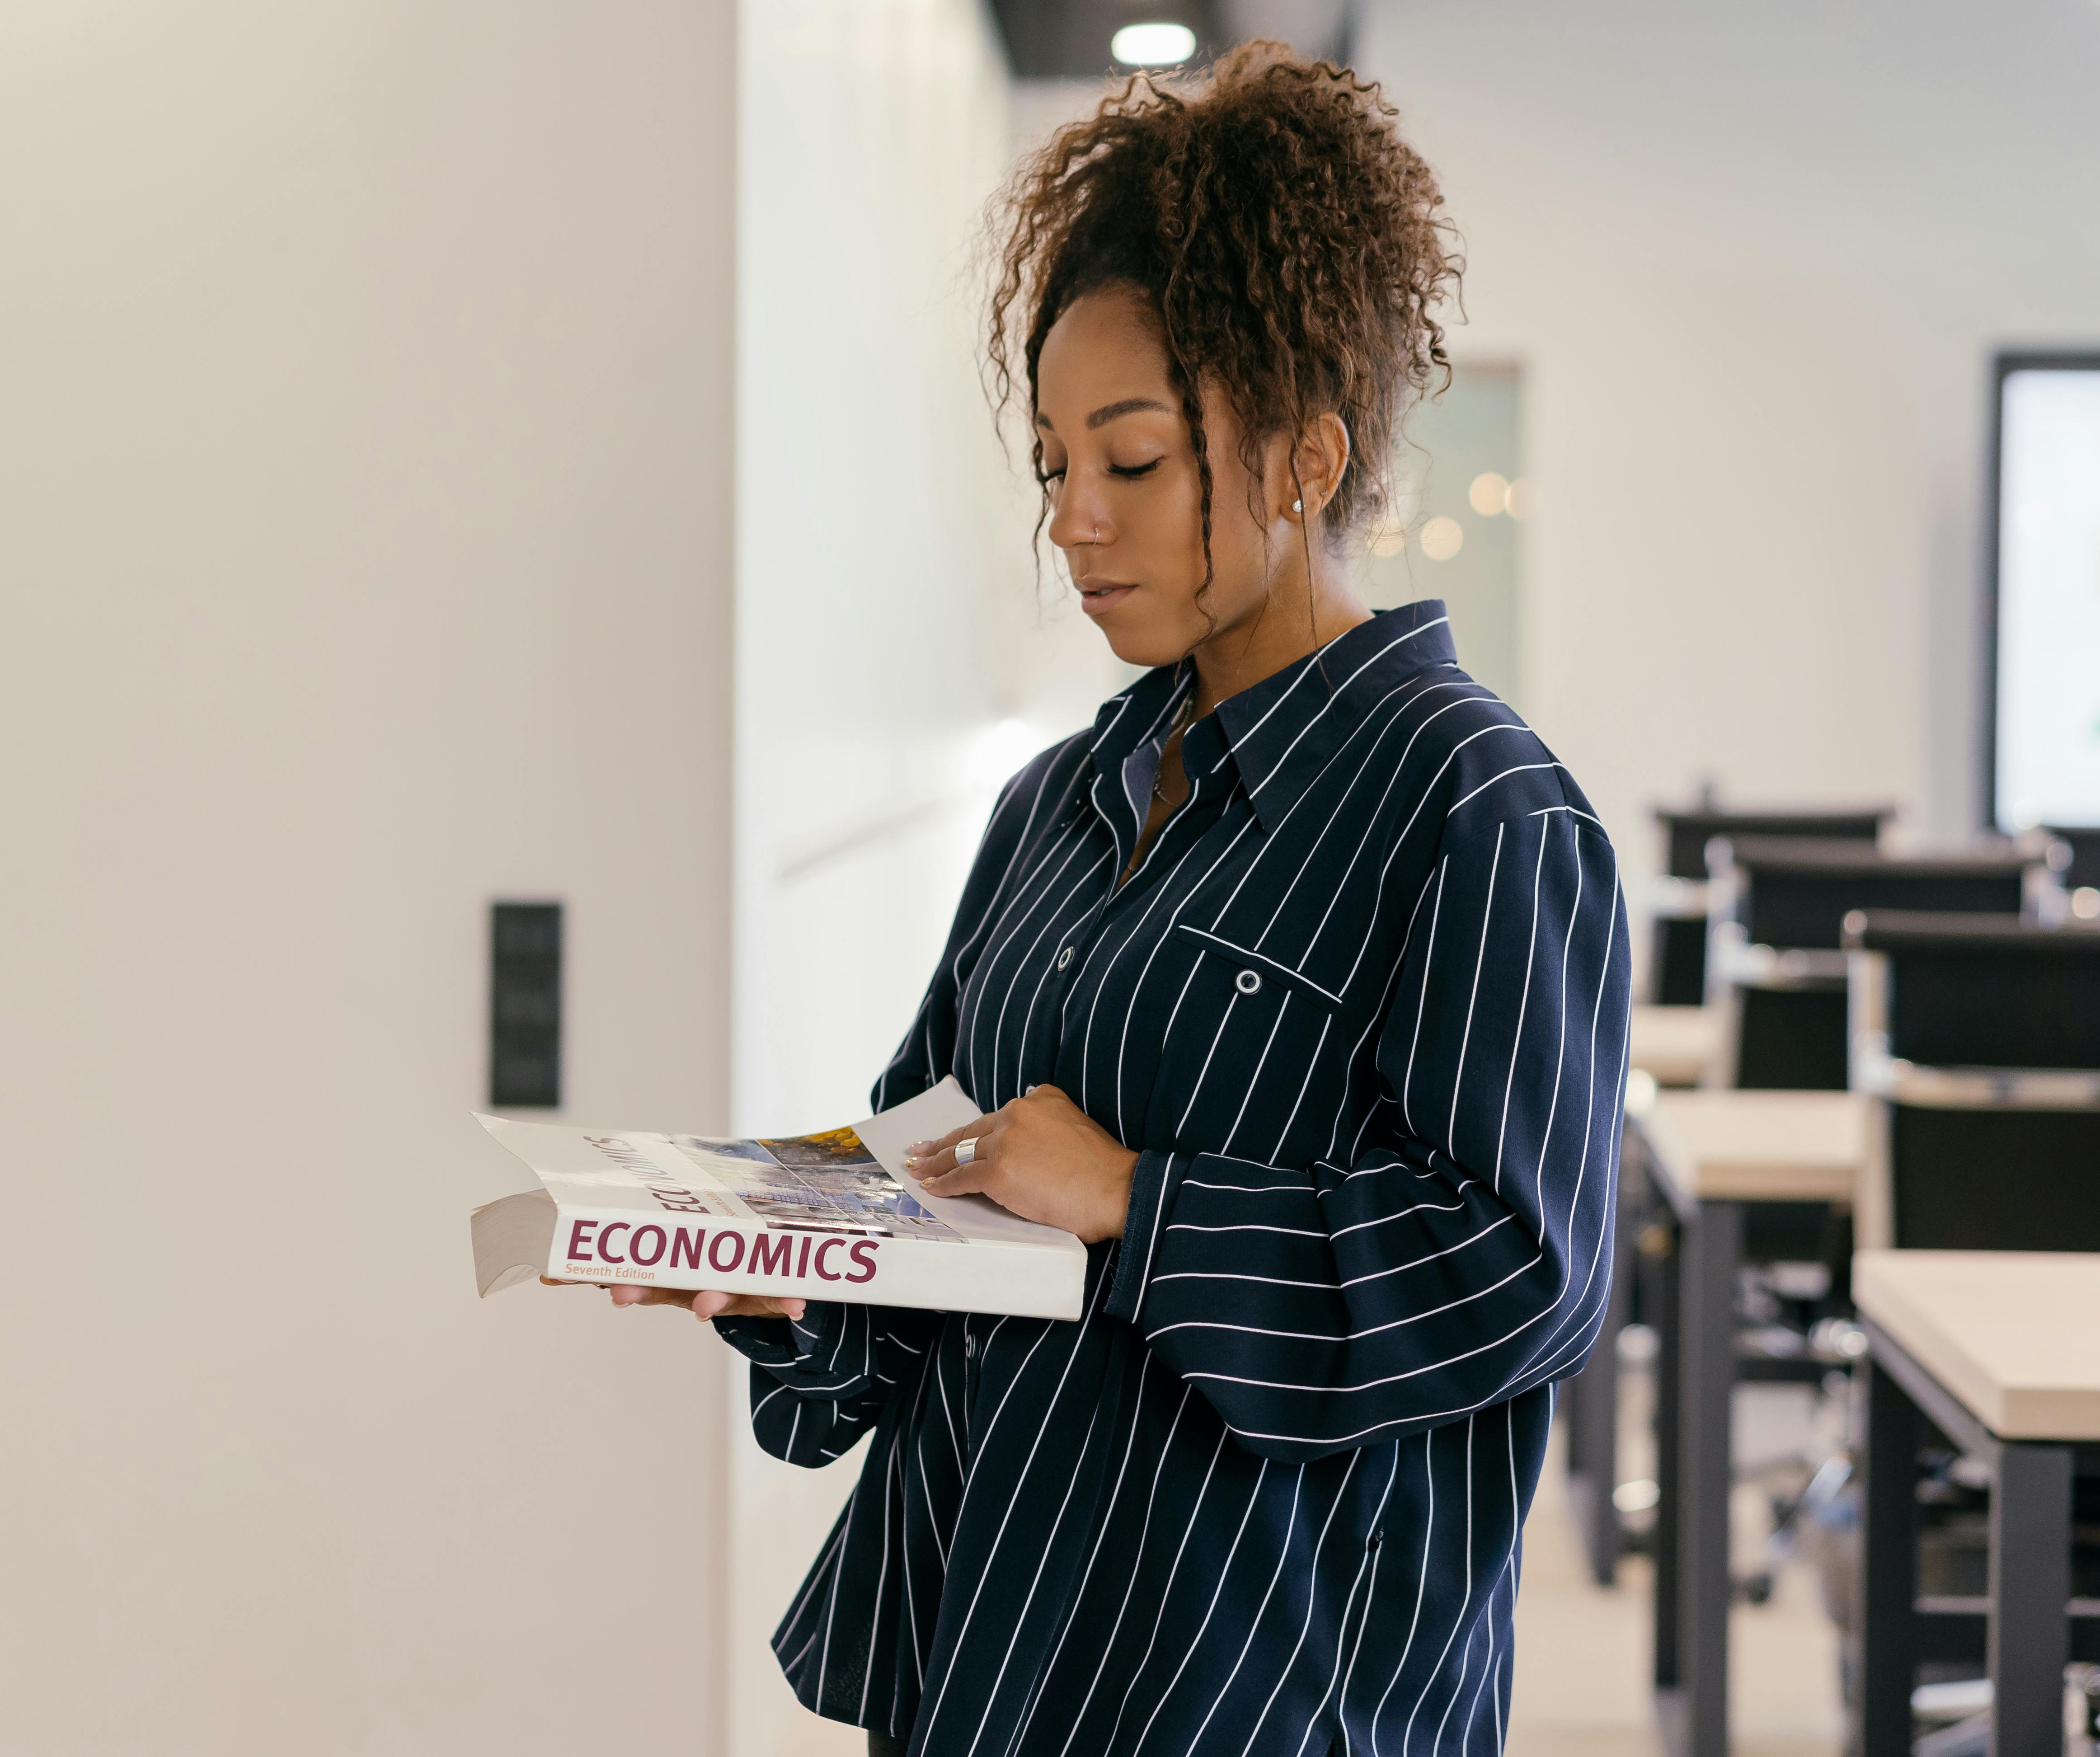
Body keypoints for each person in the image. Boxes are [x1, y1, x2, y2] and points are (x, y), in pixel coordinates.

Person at [573, 42, 1628, 1757]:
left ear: (1303, 455)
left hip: (1261, 1692)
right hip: (984, 1656)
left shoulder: (1475, 808)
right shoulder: (1056, 803)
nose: (1074, 520)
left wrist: (1140, 1199)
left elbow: (1520, 1277)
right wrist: (777, 1262)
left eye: (1131, 463)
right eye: (1057, 464)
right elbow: (947, 1191)